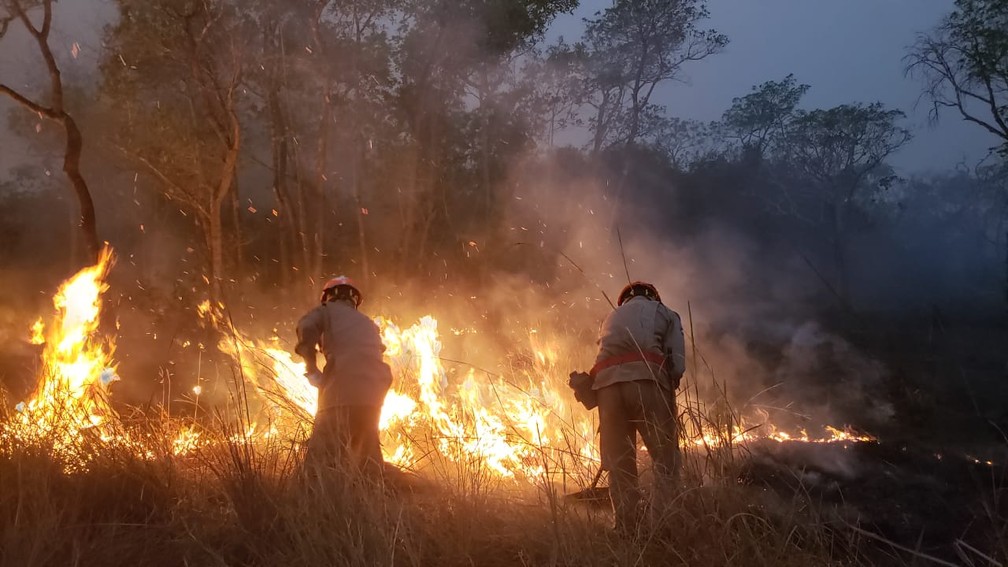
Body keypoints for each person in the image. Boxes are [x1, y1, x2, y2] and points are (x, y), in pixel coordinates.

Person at [589, 281, 686, 533]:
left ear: (624, 300)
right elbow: (678, 364)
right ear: (654, 296)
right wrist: (669, 383)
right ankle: (662, 528)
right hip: (646, 382)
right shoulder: (665, 313)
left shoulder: (609, 316)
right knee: (666, 462)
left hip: (606, 390)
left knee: (620, 464)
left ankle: (625, 528)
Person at [295, 276, 392, 481]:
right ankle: (377, 507)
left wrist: (312, 369)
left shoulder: (325, 312)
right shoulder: (370, 324)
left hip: (339, 395)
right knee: (369, 467)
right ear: (354, 301)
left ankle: (306, 506)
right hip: (373, 399)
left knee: (317, 468)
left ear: (328, 297)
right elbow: (375, 354)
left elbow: (305, 327)